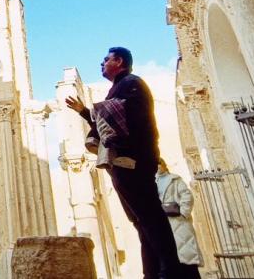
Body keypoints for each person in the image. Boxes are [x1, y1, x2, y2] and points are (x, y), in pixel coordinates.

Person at [65, 47, 182, 279]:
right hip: (122, 162)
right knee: (141, 221)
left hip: (134, 160)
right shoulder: (119, 88)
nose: (102, 64)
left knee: (150, 217)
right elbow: (108, 120)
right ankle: (154, 272)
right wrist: (84, 111)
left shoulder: (131, 83)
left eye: (106, 59)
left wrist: (97, 110)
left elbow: (122, 118)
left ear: (119, 61)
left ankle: (171, 270)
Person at [156, 160, 202, 279]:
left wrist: (183, 213)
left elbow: (187, 196)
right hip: (163, 222)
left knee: (186, 258)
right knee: (169, 259)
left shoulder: (175, 179)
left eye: (159, 164)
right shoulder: (152, 181)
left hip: (179, 222)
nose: (157, 167)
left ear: (164, 165)